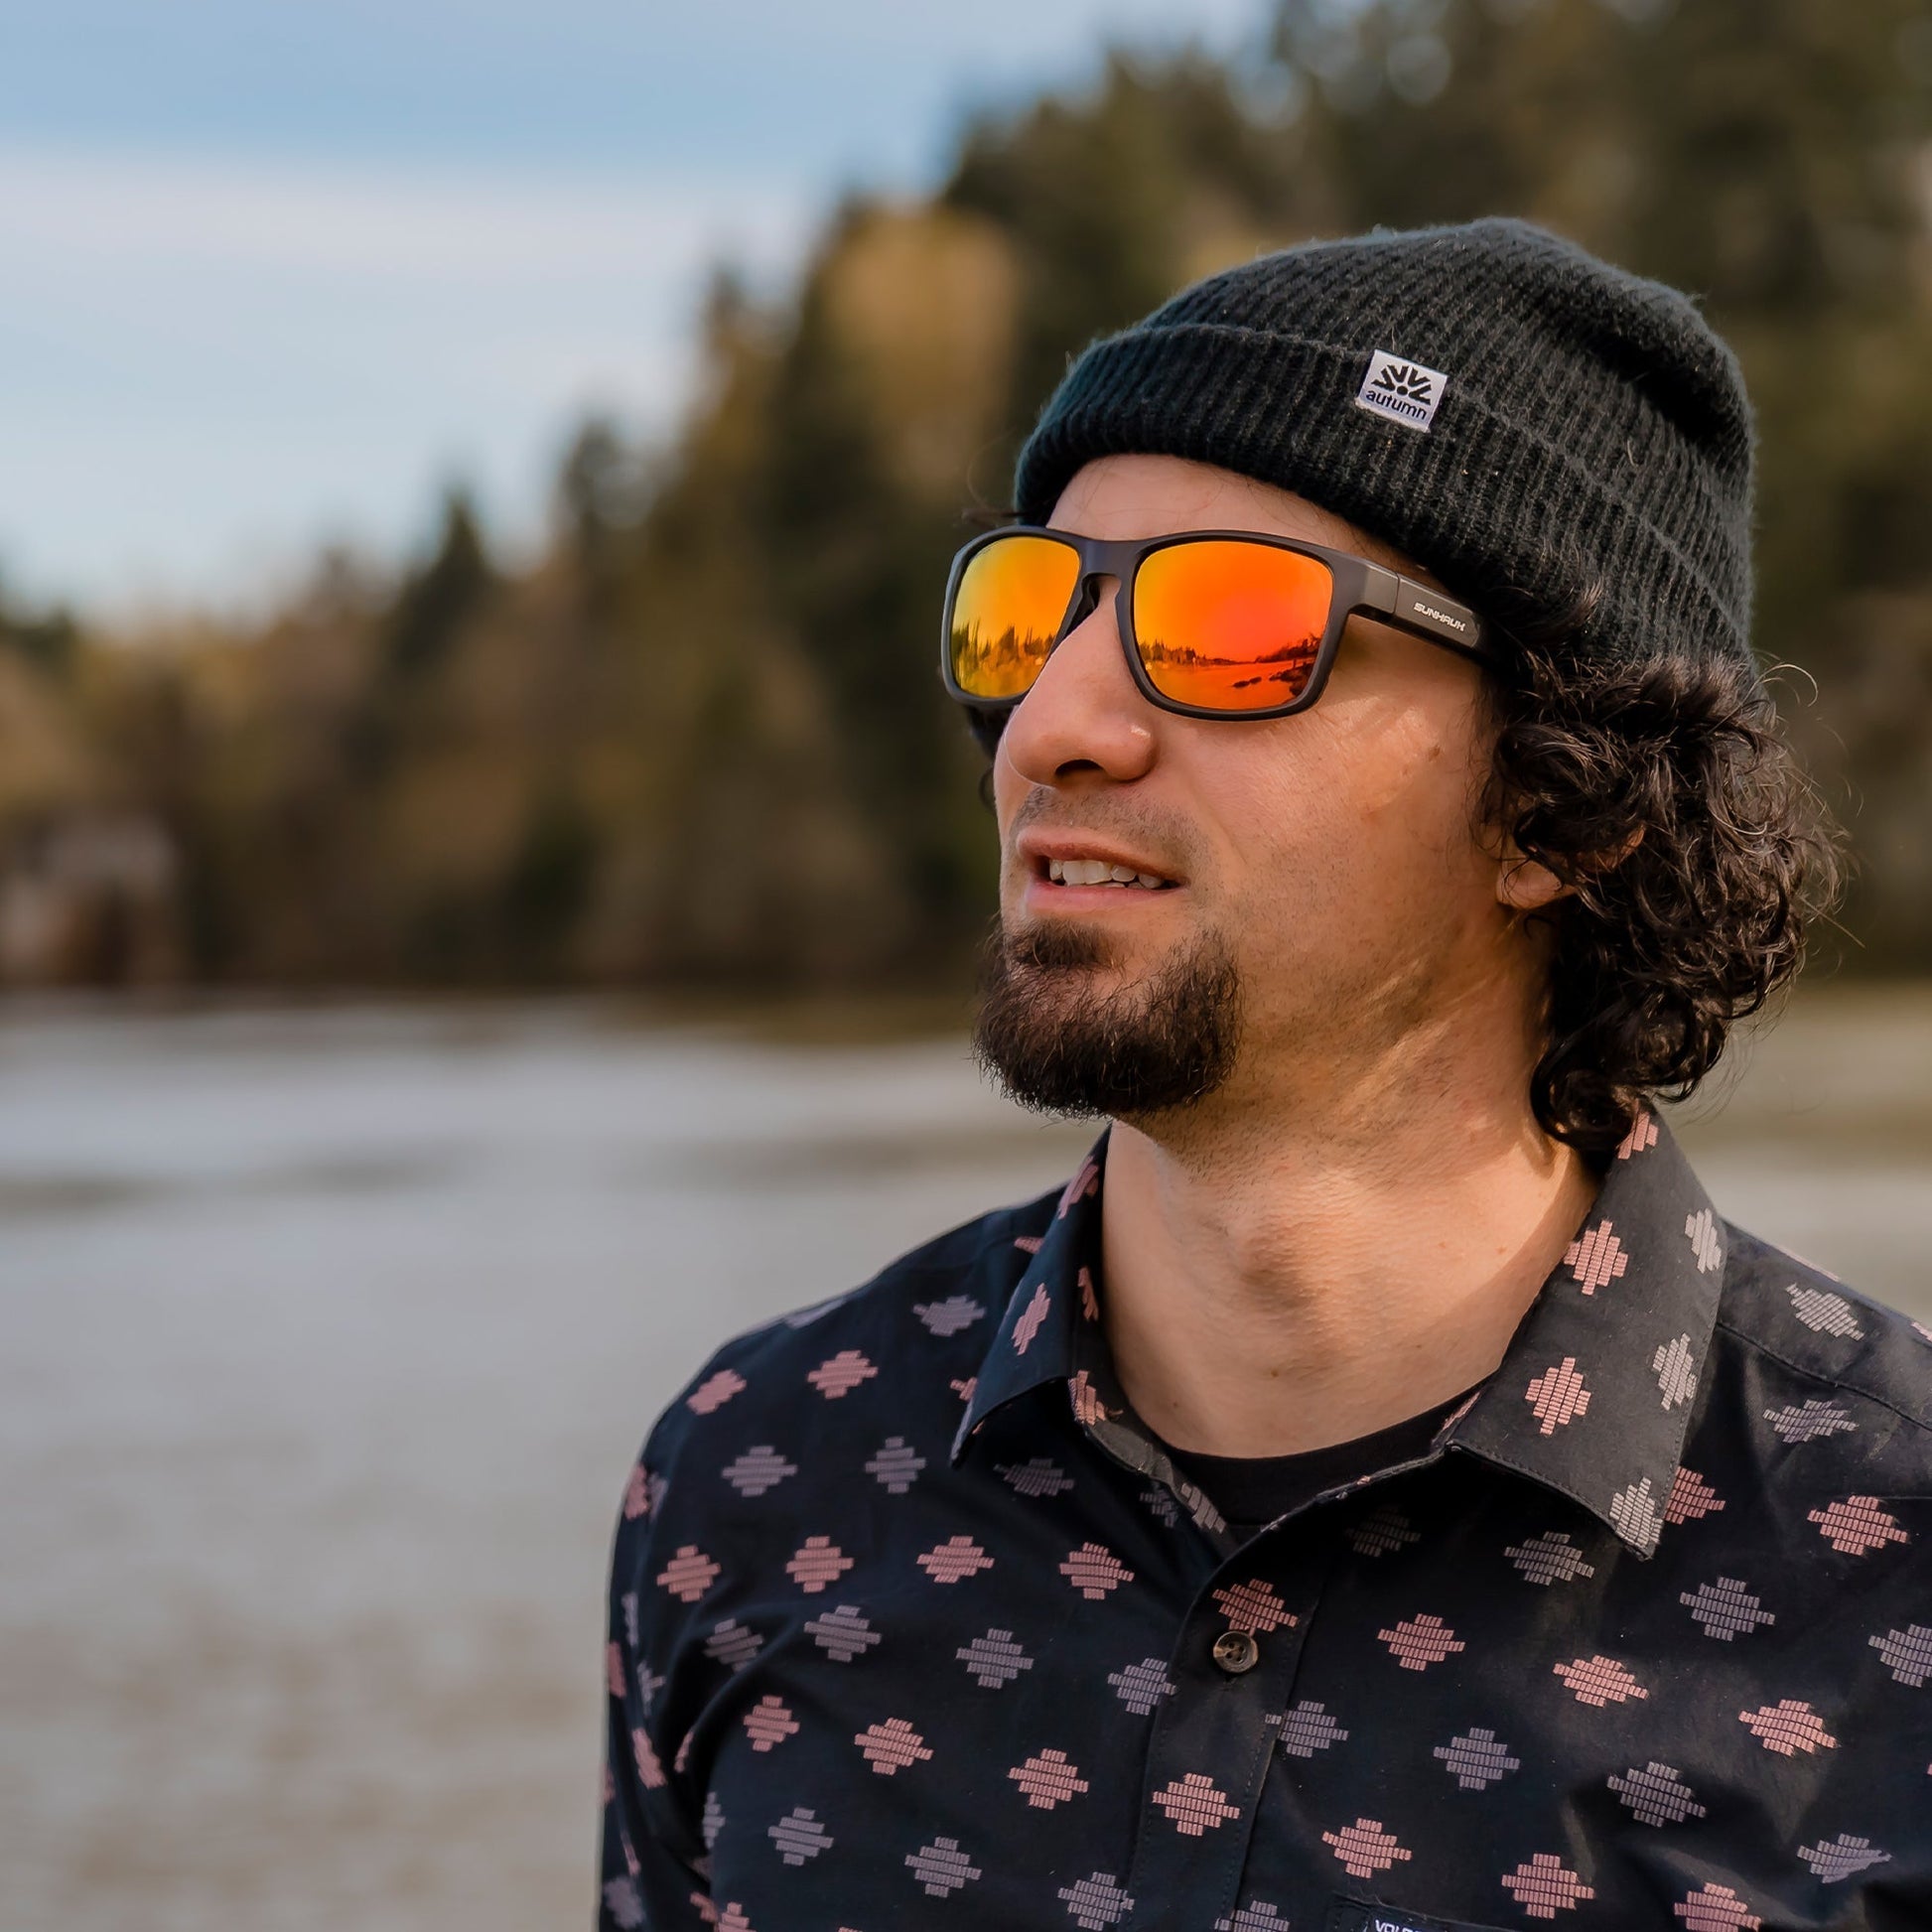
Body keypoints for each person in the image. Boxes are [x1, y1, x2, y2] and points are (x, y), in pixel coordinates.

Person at [598, 219, 1929, 1932]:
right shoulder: (759, 1476)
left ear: (1565, 808)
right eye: (1031, 616)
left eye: (1228, 623)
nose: (1051, 724)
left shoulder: (1888, 1561)